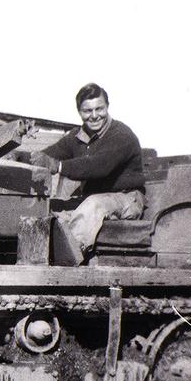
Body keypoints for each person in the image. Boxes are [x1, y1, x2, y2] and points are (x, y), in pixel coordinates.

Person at [30, 83, 145, 264]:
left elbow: (98, 166)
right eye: (87, 111)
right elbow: (51, 153)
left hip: (126, 198)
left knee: (92, 206)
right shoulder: (77, 137)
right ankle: (37, 258)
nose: (94, 116)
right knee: (49, 207)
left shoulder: (121, 134)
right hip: (91, 197)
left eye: (99, 108)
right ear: (79, 112)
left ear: (107, 107)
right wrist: (24, 157)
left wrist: (58, 166)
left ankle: (64, 264)